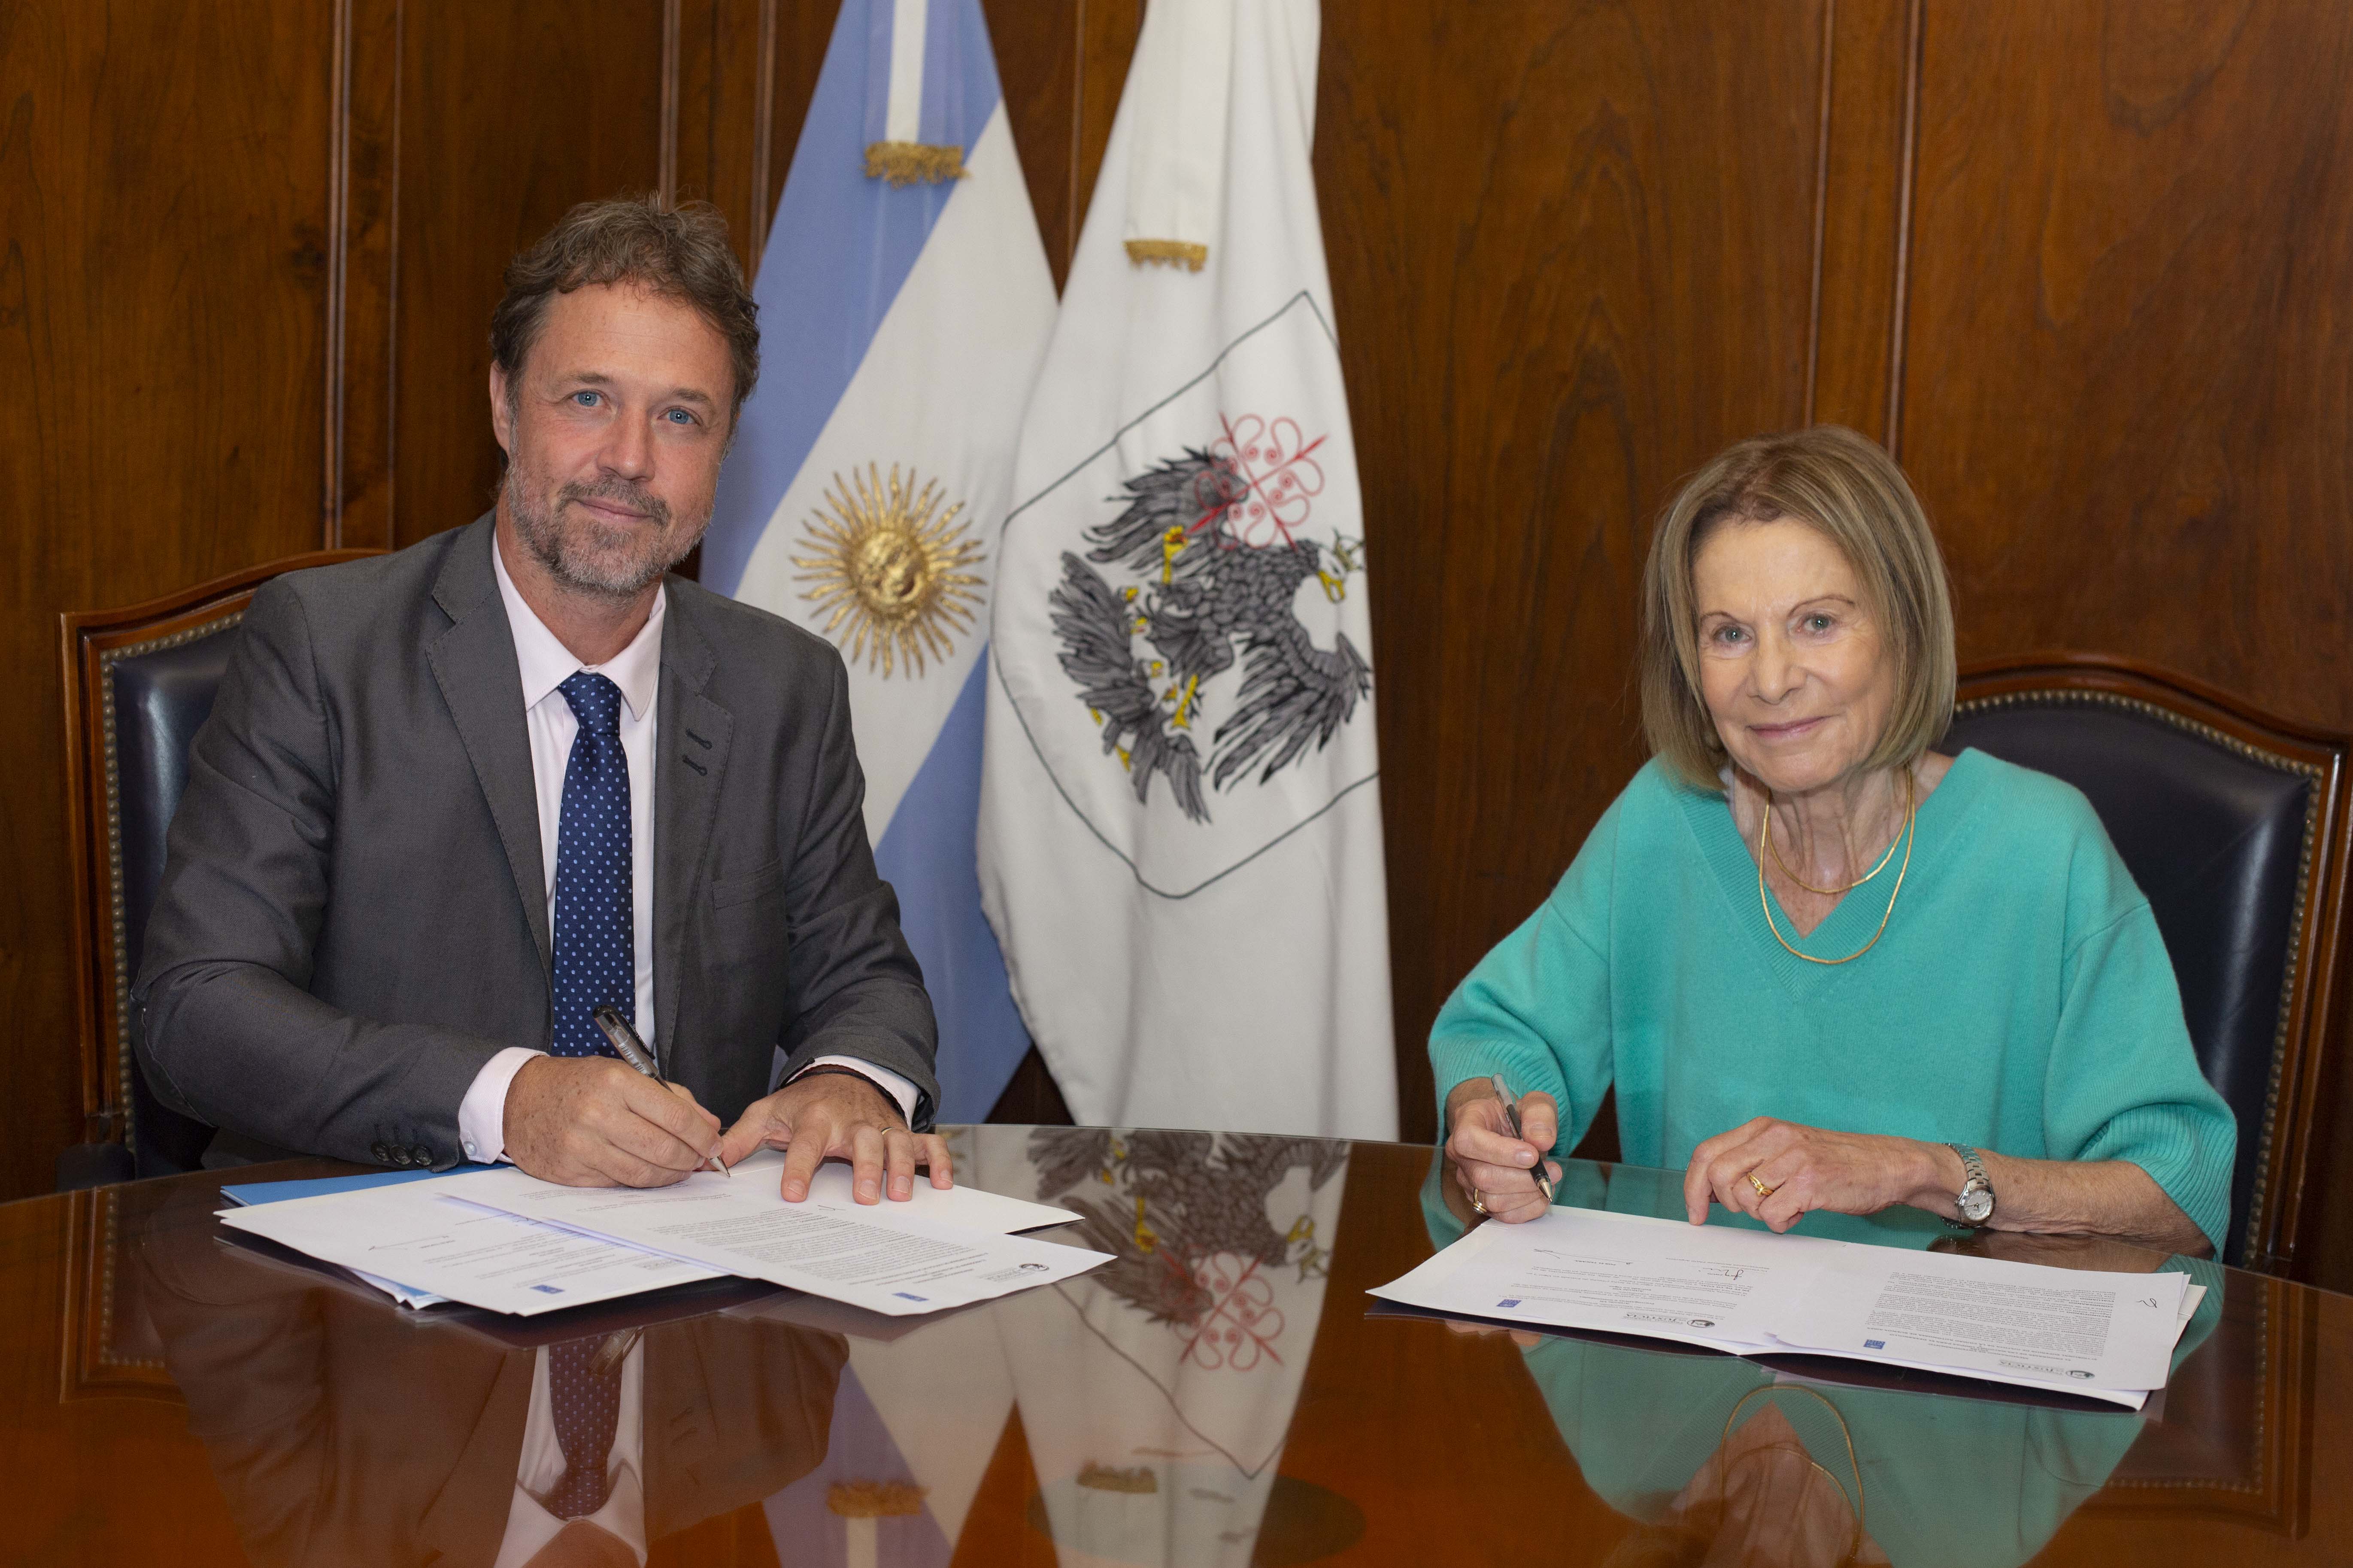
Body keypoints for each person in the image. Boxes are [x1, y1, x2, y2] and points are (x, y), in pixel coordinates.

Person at [135, 196, 952, 1205]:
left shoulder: (784, 685)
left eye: (681, 417)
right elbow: (196, 1010)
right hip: (370, 1268)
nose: (630, 459)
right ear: (503, 405)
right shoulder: (323, 648)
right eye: (587, 399)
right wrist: (506, 1100)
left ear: (724, 454)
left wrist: (845, 1080)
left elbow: (865, 978)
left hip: (682, 1273)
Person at [1432, 425, 2234, 1255]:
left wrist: (1921, 1171)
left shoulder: (2042, 848)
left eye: (1817, 622)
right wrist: (1486, 1119)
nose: (1771, 680)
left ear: (1904, 630)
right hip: (1691, 1361)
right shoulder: (1662, 822)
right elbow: (1496, 1033)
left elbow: (2178, 1197)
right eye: (1729, 634)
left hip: (1946, 1373)